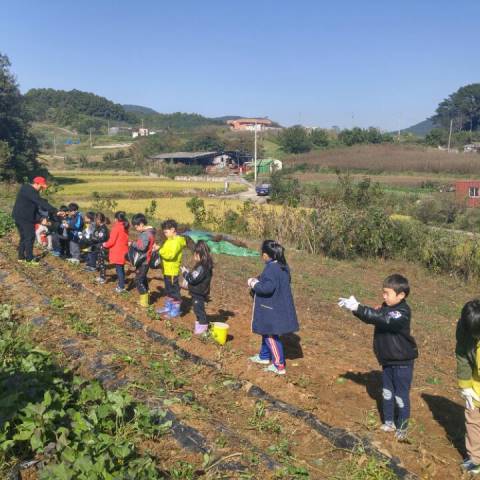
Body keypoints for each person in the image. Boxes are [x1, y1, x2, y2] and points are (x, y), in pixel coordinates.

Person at [338, 274, 418, 441]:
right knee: (387, 392)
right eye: (383, 292)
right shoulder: (385, 307)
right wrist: (356, 309)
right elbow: (373, 316)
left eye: (387, 293)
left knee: (400, 396)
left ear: (401, 295)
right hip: (388, 360)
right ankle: (389, 422)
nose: (383, 296)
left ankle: (402, 427)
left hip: (402, 362)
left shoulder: (402, 313)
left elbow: (383, 319)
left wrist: (358, 307)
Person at [247, 240, 299, 376]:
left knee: (270, 335)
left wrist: (254, 283)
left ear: (266, 255)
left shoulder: (271, 268)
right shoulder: (283, 266)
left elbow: (267, 288)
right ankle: (264, 356)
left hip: (272, 307)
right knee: (266, 331)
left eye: (262, 254)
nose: (261, 256)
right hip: (278, 305)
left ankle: (279, 365)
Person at [12, 176, 62, 265]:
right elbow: (40, 202)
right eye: (41, 186)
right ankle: (29, 259)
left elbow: (33, 207)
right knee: (30, 237)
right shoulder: (31, 191)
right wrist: (55, 211)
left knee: (24, 237)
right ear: (36, 183)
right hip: (25, 218)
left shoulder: (26, 189)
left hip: (20, 216)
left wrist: (39, 219)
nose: (42, 188)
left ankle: (21, 257)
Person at [455, 300, 480, 475]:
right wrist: (465, 386)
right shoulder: (464, 328)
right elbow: (462, 354)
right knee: (472, 418)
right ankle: (475, 459)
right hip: (475, 382)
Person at [181, 240, 213, 335]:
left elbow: (193, 279)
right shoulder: (203, 266)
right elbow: (195, 277)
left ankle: (203, 331)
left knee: (199, 311)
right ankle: (199, 328)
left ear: (201, 254)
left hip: (198, 293)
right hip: (198, 292)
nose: (194, 257)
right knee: (197, 310)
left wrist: (185, 273)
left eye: (195, 255)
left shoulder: (202, 267)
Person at [157, 219, 187, 318]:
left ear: (173, 229)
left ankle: (175, 310)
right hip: (167, 270)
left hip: (172, 271)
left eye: (166, 232)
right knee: (169, 289)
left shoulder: (177, 241)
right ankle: (168, 307)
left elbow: (170, 255)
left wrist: (160, 251)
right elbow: (164, 250)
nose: (165, 234)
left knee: (174, 291)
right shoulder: (168, 241)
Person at [130, 213, 156, 307]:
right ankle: (147, 295)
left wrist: (132, 244)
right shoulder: (150, 232)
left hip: (143, 260)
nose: (136, 229)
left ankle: (144, 301)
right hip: (146, 259)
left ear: (141, 224)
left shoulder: (145, 234)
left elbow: (142, 247)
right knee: (143, 278)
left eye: (136, 227)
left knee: (138, 280)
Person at [102, 211, 129, 292]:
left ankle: (121, 286)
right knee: (121, 268)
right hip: (124, 250)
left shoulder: (116, 227)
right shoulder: (125, 226)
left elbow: (111, 241)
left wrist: (105, 245)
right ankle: (122, 283)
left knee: (119, 269)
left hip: (117, 251)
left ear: (116, 219)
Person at [84, 213, 109, 285]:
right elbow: (95, 235)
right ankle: (101, 276)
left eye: (96, 219)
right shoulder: (98, 227)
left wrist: (92, 238)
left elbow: (101, 238)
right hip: (98, 246)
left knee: (102, 263)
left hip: (102, 247)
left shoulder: (103, 228)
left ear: (99, 220)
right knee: (100, 262)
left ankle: (103, 278)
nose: (95, 221)